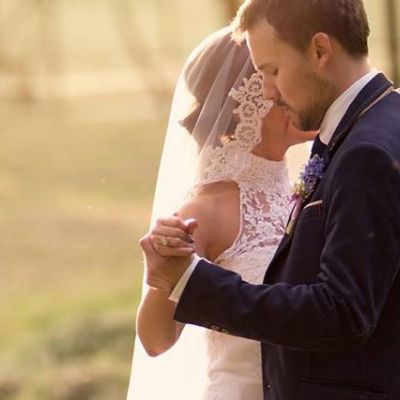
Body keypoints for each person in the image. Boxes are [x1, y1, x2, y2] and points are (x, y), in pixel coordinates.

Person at [140, 1, 400, 400]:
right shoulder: (368, 130)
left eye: (273, 70)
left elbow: (342, 310)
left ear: (320, 50)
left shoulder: (364, 152)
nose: (268, 91)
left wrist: (190, 280)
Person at [128, 27, 314, 400]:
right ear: (249, 101)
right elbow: (156, 339)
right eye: (276, 76)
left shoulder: (306, 184)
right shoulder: (206, 210)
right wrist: (163, 273)